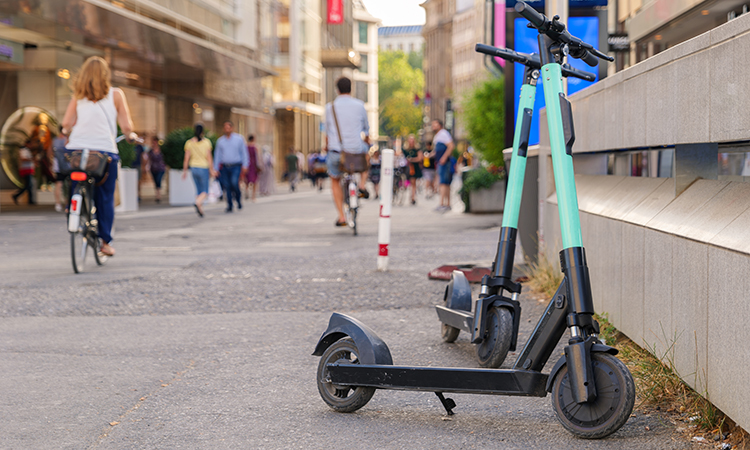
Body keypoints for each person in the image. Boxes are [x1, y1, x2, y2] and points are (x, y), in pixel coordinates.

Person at [61, 55, 136, 257]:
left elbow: (66, 124)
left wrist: (68, 133)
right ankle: (105, 242)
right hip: (104, 153)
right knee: (105, 197)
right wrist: (130, 136)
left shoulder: (78, 96)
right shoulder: (116, 94)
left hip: (77, 151)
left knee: (75, 179)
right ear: (105, 75)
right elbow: (127, 126)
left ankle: (72, 208)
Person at [325, 76, 371, 227]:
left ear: (337, 90)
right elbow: (366, 129)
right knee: (366, 156)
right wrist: (367, 141)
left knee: (335, 180)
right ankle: (362, 185)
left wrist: (327, 146)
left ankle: (341, 217)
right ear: (351, 88)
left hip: (337, 151)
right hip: (356, 151)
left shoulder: (329, 107)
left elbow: (327, 132)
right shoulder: (359, 105)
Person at [213, 121, 248, 212]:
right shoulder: (220, 141)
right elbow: (217, 155)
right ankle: (229, 205)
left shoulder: (239, 139)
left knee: (234, 183)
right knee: (226, 186)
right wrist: (215, 168)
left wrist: (245, 165)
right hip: (224, 167)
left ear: (232, 128)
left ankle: (238, 199)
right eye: (225, 127)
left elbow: (244, 153)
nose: (227, 129)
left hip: (236, 166)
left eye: (228, 127)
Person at [182, 123, 214, 217]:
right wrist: (211, 170)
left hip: (193, 168)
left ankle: (200, 209)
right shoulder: (206, 142)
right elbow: (209, 158)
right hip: (203, 167)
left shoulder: (189, 143)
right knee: (205, 191)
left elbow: (186, 158)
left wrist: (184, 171)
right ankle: (197, 202)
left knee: (198, 190)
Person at [431, 119, 454, 212]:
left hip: (443, 162)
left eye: (435, 124)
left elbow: (451, 146)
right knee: (446, 183)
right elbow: (437, 151)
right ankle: (447, 204)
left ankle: (442, 204)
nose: (433, 126)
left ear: (440, 125)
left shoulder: (443, 133)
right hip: (441, 161)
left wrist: (444, 158)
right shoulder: (437, 136)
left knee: (443, 182)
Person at [12, 141, 35, 205]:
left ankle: (30, 200)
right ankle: (17, 195)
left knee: (29, 185)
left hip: (28, 169)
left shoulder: (27, 150)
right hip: (25, 170)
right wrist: (31, 159)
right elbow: (23, 159)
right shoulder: (23, 150)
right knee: (28, 185)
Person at [403, 134, 423, 205]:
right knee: (408, 182)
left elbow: (420, 158)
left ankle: (413, 197)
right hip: (407, 168)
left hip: (414, 168)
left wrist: (411, 159)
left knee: (413, 182)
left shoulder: (417, 149)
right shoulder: (405, 149)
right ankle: (411, 195)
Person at [243, 134, 262, 202]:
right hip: (254, 165)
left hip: (247, 164)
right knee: (254, 181)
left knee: (247, 180)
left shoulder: (245, 146)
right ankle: (253, 196)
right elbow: (258, 157)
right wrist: (259, 165)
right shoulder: (256, 146)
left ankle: (246, 191)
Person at [148, 136, 166, 203]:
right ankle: (157, 194)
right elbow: (148, 159)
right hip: (153, 168)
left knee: (159, 180)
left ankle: (158, 195)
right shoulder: (150, 151)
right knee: (155, 181)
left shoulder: (162, 150)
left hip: (161, 168)